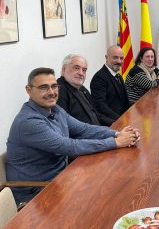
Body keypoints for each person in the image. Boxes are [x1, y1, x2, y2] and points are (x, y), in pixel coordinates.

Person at [6, 67, 141, 205]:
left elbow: (83, 129)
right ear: (29, 90)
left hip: (61, 178)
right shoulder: (29, 122)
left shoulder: (55, 109)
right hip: (37, 193)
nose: (51, 92)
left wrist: (118, 133)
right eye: (43, 87)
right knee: (103, 196)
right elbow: (69, 146)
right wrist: (116, 142)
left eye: (54, 86)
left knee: (114, 183)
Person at [57, 54, 114, 126]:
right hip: (84, 135)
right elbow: (65, 125)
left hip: (99, 131)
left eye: (84, 70)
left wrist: (116, 123)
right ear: (64, 69)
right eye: (76, 68)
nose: (81, 73)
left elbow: (96, 115)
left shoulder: (82, 89)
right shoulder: (58, 90)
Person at [90, 45, 130, 123]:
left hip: (123, 119)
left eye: (121, 58)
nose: (119, 61)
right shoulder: (99, 78)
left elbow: (124, 100)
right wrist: (120, 119)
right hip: (111, 123)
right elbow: (100, 105)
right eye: (115, 57)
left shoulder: (118, 75)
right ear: (106, 57)